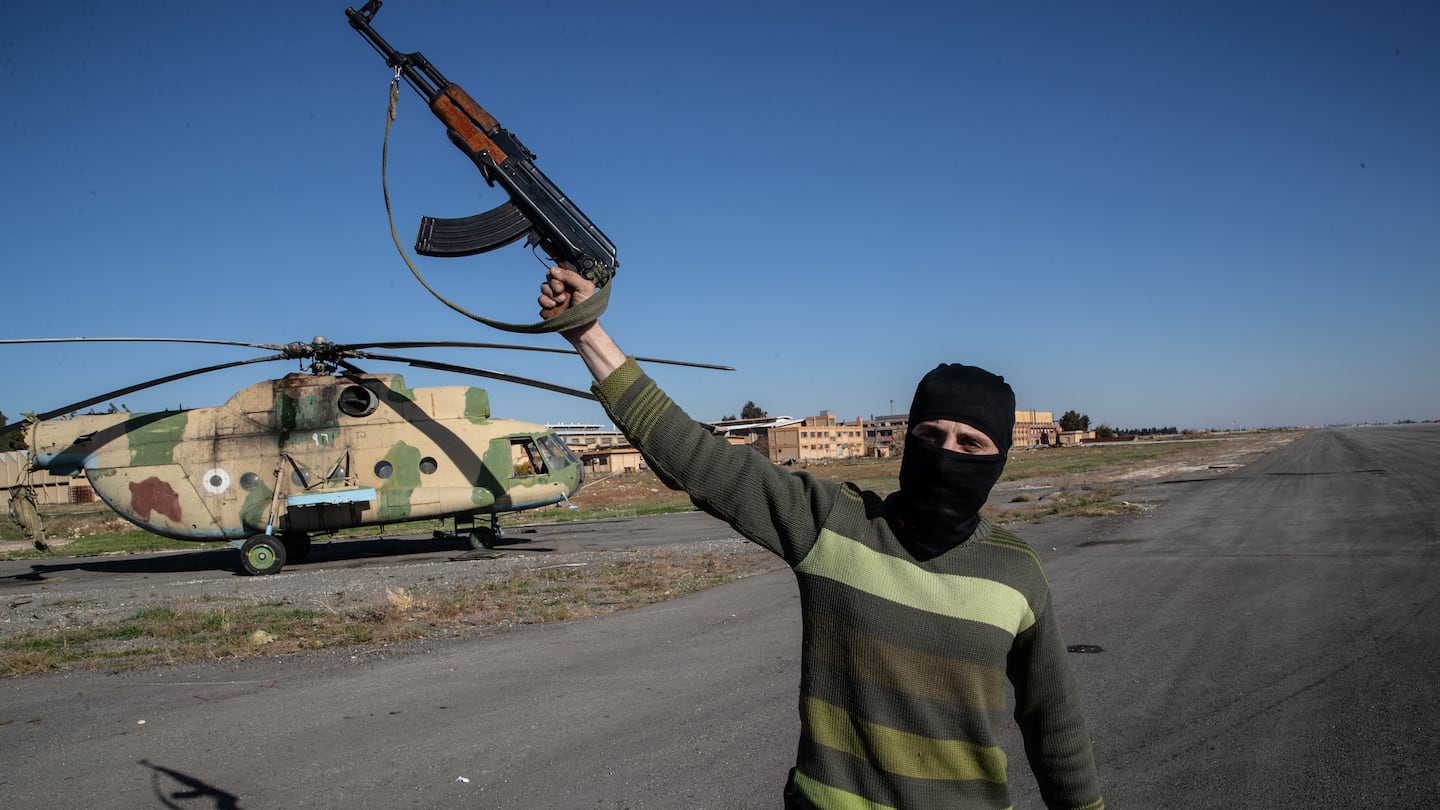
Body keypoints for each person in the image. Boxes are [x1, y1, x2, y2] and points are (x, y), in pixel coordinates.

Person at [539, 266, 1104, 810]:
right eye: (931, 434)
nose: (947, 453)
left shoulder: (1016, 570)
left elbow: (1054, 723)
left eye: (971, 444)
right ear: (908, 439)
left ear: (999, 460)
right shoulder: (833, 524)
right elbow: (698, 458)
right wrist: (587, 333)